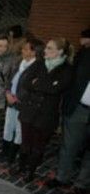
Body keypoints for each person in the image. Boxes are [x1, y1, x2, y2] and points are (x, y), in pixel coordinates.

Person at [16, 38, 72, 182]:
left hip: (47, 114)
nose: (45, 50)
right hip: (29, 110)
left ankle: (31, 171)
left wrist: (39, 83)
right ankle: (21, 166)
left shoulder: (66, 69)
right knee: (25, 142)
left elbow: (57, 89)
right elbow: (27, 82)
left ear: (60, 51)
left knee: (38, 145)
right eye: (46, 47)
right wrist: (46, 84)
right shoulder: (39, 63)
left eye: (50, 48)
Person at [46, 29, 90, 194]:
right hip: (78, 108)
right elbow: (72, 78)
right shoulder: (85, 54)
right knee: (69, 145)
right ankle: (61, 177)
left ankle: (82, 185)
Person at [0, 39, 42, 164]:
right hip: (11, 100)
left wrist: (18, 98)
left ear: (34, 52)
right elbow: (9, 78)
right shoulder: (19, 62)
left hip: (23, 104)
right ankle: (4, 152)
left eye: (25, 49)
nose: (22, 51)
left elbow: (33, 88)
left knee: (19, 130)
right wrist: (7, 92)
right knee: (8, 126)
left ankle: (12, 155)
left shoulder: (37, 67)